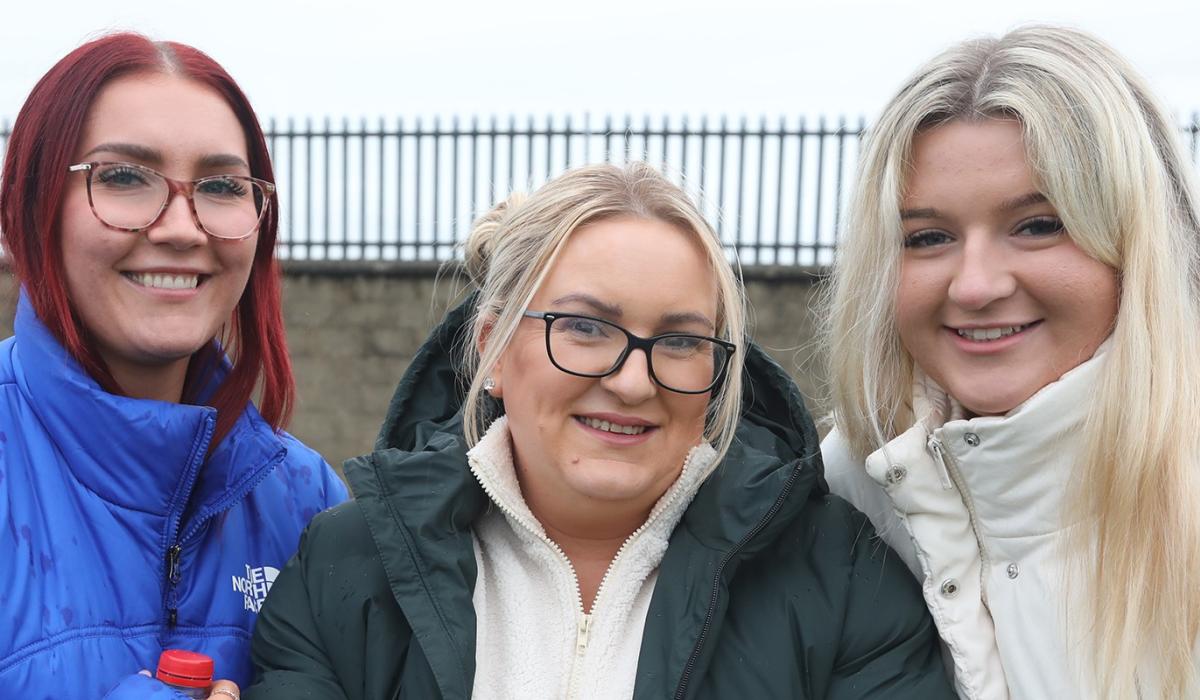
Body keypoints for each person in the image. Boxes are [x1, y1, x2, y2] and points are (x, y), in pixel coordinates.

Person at [244, 162, 953, 699]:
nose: (634, 382)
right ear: (494, 350)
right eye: (585, 328)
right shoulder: (346, 567)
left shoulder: (843, 577)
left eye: (681, 341)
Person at [821, 25, 1200, 700]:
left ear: (1141, 241)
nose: (974, 286)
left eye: (1038, 225)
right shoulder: (842, 495)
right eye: (927, 237)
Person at [0, 33, 347, 698]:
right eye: (124, 177)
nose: (183, 229)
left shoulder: (309, 500)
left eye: (221, 186)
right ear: (32, 204)